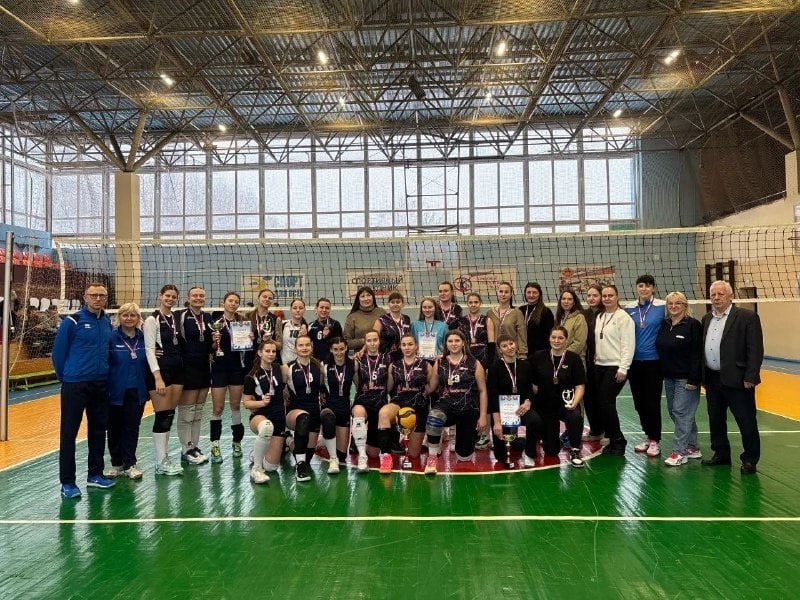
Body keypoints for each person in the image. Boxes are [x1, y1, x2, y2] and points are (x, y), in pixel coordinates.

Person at [52, 282, 115, 498]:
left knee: (98, 431)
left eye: (102, 295)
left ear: (106, 298)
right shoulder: (72, 321)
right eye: (93, 295)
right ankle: (67, 482)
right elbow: (58, 354)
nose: (98, 299)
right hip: (75, 385)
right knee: (69, 433)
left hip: (100, 384)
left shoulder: (107, 322)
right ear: (85, 297)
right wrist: (67, 377)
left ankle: (95, 475)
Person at [701, 280, 764, 474]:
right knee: (716, 419)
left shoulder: (747, 317)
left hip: (739, 379)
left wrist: (751, 376)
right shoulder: (706, 318)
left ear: (731, 297)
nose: (716, 298)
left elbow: (755, 349)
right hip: (712, 379)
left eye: (721, 294)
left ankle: (750, 459)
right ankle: (721, 454)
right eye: (713, 295)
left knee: (746, 420)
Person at [424, 330, 488, 475]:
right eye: (450, 341)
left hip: (468, 408)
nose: (454, 344)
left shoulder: (475, 363)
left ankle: (464, 446)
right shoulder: (439, 362)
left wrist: (483, 415)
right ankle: (432, 458)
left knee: (464, 457)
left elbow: (483, 391)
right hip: (447, 405)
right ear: (446, 344)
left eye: (457, 341)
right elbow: (431, 387)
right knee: (434, 417)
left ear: (463, 343)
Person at [656, 292, 703, 467]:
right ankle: (693, 447)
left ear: (685, 305)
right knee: (675, 411)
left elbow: (697, 353)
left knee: (681, 412)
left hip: (686, 378)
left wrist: (694, 379)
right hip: (669, 377)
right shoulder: (665, 324)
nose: (674, 306)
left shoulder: (693, 325)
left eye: (678, 303)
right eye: (670, 304)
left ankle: (679, 452)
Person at [529, 327, 586, 467]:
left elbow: (580, 386)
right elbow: (524, 371)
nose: (556, 341)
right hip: (545, 406)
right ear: (549, 338)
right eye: (553, 337)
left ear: (566, 340)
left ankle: (574, 450)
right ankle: (549, 440)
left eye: (560, 338)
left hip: (565, 403)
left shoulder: (574, 358)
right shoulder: (538, 357)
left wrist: (574, 403)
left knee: (575, 416)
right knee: (551, 451)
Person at [104, 303, 148, 480]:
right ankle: (116, 464)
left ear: (138, 318)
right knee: (113, 428)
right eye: (125, 315)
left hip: (137, 391)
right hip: (115, 391)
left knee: (131, 428)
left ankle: (130, 464)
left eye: (133, 315)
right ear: (119, 317)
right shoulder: (111, 338)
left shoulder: (144, 338)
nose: (129, 318)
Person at [143, 284, 185, 476]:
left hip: (177, 370)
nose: (170, 299)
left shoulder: (176, 317)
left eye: (173, 296)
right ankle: (160, 462)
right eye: (167, 295)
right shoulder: (152, 319)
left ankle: (164, 458)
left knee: (169, 414)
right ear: (160, 296)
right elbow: (149, 350)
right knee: (162, 416)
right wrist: (157, 377)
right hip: (161, 372)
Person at [380, 334, 436, 472]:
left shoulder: (426, 365)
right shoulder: (394, 366)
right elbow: (389, 388)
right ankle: (386, 457)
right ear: (400, 347)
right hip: (398, 404)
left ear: (416, 346)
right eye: (404, 345)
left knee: (414, 454)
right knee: (383, 414)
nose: (407, 347)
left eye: (410, 344)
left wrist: (420, 393)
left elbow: (431, 387)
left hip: (419, 407)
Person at [624, 274, 666, 457]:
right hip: (634, 362)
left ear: (653, 288)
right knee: (639, 403)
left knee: (652, 402)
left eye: (648, 286)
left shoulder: (663, 306)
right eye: (641, 285)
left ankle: (655, 439)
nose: (644, 289)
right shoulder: (629, 308)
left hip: (654, 362)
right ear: (637, 288)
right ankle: (648, 435)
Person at [208, 291, 250, 463]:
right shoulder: (215, 323)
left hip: (237, 369)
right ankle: (215, 444)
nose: (233, 303)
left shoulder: (242, 323)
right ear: (223, 303)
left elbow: (247, 347)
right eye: (230, 301)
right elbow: (211, 347)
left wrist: (250, 338)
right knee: (217, 408)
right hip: (219, 369)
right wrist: (214, 340)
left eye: (236, 301)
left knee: (235, 406)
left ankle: (237, 442)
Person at [593, 284, 635, 456]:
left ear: (617, 297)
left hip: (615, 366)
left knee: (605, 402)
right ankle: (612, 439)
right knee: (602, 403)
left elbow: (628, 345)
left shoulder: (624, 318)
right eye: (604, 296)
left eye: (610, 295)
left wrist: (623, 368)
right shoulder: (600, 316)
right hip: (599, 366)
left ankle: (619, 440)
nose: (607, 298)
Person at [242, 339, 288, 484]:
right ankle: (256, 470)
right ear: (260, 353)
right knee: (267, 427)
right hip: (260, 416)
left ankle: (257, 453)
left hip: (279, 417)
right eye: (267, 351)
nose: (271, 354)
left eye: (273, 351)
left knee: (271, 467)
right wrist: (261, 403)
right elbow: (246, 403)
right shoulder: (251, 376)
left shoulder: (279, 369)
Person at [176, 286, 213, 465]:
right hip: (187, 367)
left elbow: (211, 344)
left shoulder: (208, 317)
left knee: (198, 410)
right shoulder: (180, 316)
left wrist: (216, 343)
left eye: (201, 296)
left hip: (204, 367)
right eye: (195, 295)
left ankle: (194, 447)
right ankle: (186, 449)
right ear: (188, 297)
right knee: (187, 411)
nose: (198, 298)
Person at [487, 334, 536, 468]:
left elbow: (529, 390)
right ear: (499, 350)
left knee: (534, 420)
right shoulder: (494, 368)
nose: (509, 348)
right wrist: (497, 422)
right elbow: (493, 395)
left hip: (521, 408)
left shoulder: (525, 365)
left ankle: (529, 453)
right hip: (502, 411)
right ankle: (514, 444)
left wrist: (528, 402)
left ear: (516, 344)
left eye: (511, 344)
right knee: (500, 456)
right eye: (504, 346)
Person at [284, 335, 327, 482]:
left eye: (307, 345)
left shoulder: (319, 366)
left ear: (312, 347)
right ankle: (299, 467)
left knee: (307, 456)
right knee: (303, 419)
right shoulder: (287, 368)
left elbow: (323, 389)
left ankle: (288, 440)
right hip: (295, 412)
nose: (304, 348)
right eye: (301, 345)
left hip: (314, 411)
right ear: (295, 348)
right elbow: (279, 390)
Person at [351, 330, 391, 472]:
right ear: (365, 342)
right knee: (358, 411)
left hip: (380, 403)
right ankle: (362, 457)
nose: (372, 343)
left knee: (373, 453)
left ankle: (359, 440)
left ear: (379, 341)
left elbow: (389, 385)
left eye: (375, 340)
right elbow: (357, 383)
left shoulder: (387, 359)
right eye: (369, 340)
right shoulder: (358, 360)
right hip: (363, 400)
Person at [321, 337, 356, 473]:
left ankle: (325, 442)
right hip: (329, 406)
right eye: (335, 349)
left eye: (342, 349)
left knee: (342, 455)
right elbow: (318, 386)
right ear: (331, 350)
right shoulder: (324, 366)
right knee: (328, 419)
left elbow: (359, 386)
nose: (339, 352)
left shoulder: (353, 364)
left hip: (344, 408)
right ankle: (332, 458)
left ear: (346, 348)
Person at [581, 284, 605, 442]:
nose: (591, 298)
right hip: (588, 362)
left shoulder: (607, 314)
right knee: (589, 398)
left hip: (603, 363)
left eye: (595, 295)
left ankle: (608, 431)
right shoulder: (584, 314)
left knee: (603, 398)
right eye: (589, 295)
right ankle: (595, 431)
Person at [486, 281, 527, 358]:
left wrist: (522, 354)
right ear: (497, 293)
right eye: (501, 291)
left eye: (506, 292)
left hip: (513, 353)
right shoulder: (490, 313)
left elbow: (522, 336)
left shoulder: (517, 313)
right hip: (496, 355)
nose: (503, 294)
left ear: (511, 294)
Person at [458, 292, 495, 370]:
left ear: (480, 303)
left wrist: (490, 362)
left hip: (483, 357)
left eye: (476, 302)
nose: (473, 305)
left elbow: (491, 343)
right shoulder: (461, 321)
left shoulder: (487, 320)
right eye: (470, 302)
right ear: (467, 304)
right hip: (466, 356)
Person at [343, 286, 386, 352]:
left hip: (381, 354)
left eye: (368, 295)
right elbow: (346, 343)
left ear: (373, 297)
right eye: (362, 296)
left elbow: (389, 335)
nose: (366, 299)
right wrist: (364, 341)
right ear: (358, 299)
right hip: (361, 355)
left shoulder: (381, 312)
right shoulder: (352, 317)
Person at [519, 282, 554, 357]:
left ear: (539, 294)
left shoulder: (546, 312)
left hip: (540, 353)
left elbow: (549, 336)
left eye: (534, 292)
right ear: (525, 294)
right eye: (528, 292)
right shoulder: (520, 310)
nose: (531, 295)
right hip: (522, 351)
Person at [374, 291, 411, 362]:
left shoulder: (406, 318)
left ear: (403, 304)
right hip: (386, 357)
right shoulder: (381, 320)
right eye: (392, 302)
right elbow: (372, 337)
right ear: (388, 304)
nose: (395, 304)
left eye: (398, 302)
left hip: (404, 356)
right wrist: (363, 350)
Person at [555, 289, 588, 364]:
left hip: (575, 359)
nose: (566, 301)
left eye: (569, 299)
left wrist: (564, 354)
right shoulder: (559, 318)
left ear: (574, 302)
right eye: (564, 299)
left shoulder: (579, 318)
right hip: (560, 358)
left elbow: (579, 343)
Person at [308, 297, 342, 362]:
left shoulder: (335, 324)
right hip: (316, 360)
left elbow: (340, 343)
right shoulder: (311, 325)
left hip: (332, 360)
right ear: (316, 308)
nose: (324, 310)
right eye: (321, 307)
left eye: (327, 308)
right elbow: (308, 343)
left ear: (330, 310)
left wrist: (328, 337)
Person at [278, 297, 309, 364]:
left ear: (304, 310)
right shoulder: (283, 324)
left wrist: (305, 336)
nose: (298, 310)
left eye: (301, 308)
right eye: (295, 308)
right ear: (290, 309)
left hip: (301, 364)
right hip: (285, 364)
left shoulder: (308, 328)